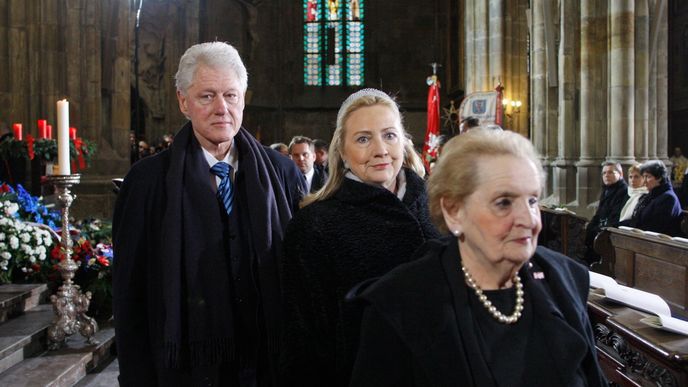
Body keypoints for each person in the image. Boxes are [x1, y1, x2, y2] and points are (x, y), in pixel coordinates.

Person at [113, 42, 306, 386]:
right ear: (183, 102)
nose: (222, 108)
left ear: (243, 99)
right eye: (207, 96)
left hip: (268, 366)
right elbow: (131, 296)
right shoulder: (146, 183)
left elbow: (302, 275)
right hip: (186, 369)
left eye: (231, 95)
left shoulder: (282, 173)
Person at [348, 129, 607, 387]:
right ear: (453, 211)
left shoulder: (564, 279)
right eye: (504, 203)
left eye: (532, 200)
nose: (528, 220)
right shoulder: (400, 304)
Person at [280, 88, 440, 386]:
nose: (380, 150)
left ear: (404, 142)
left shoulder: (438, 208)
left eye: (389, 135)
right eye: (364, 139)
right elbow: (304, 342)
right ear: (341, 150)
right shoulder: (314, 225)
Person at [620, 160, 683, 236]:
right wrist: (617, 226)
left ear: (659, 178)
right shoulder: (650, 195)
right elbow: (636, 219)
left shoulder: (668, 198)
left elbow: (655, 228)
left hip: (662, 243)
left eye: (648, 177)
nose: (644, 181)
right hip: (643, 238)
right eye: (644, 177)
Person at [583, 161, 628, 264]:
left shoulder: (624, 191)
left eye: (610, 172)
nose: (606, 175)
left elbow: (616, 216)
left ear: (620, 174)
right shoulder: (607, 189)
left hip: (613, 230)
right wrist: (590, 226)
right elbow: (599, 213)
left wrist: (598, 229)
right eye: (604, 173)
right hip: (603, 227)